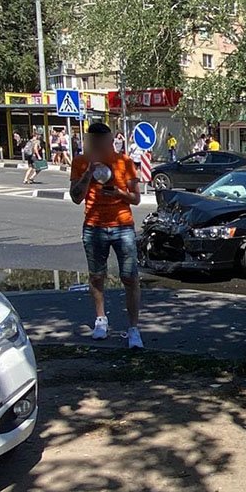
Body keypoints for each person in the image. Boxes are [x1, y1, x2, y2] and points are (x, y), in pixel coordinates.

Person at [70, 121, 143, 349]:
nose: (102, 148)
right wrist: (89, 174)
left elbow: (136, 198)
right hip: (94, 226)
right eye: (96, 144)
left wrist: (119, 193)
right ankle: (100, 320)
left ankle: (133, 329)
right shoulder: (81, 162)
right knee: (96, 276)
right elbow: (76, 197)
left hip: (122, 225)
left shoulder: (124, 162)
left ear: (111, 142)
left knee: (130, 277)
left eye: (105, 143)